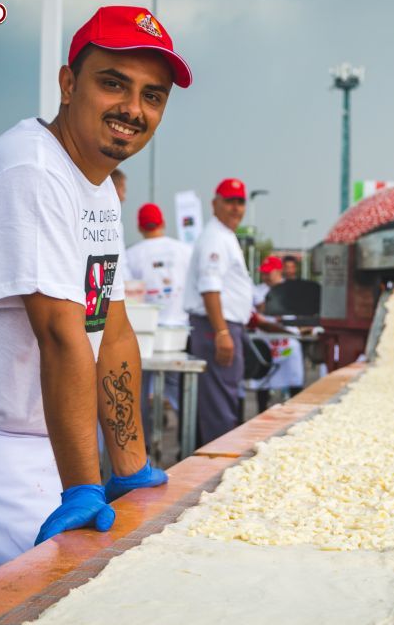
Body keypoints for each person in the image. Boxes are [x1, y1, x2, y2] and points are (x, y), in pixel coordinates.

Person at [0, 6, 191, 612]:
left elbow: (112, 330)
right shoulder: (28, 169)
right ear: (68, 83)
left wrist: (131, 469)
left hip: (28, 451)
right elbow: (60, 333)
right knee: (55, 619)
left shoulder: (97, 187)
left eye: (151, 95)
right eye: (113, 83)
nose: (133, 108)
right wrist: (83, 485)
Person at [184, 178, 254, 446]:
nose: (236, 208)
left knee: (223, 397)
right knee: (219, 403)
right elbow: (209, 287)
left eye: (240, 202)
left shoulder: (223, 235)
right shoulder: (215, 237)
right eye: (229, 201)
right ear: (215, 204)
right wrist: (222, 331)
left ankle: (217, 458)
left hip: (221, 325)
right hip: (215, 326)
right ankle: (217, 465)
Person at [124, 202, 192, 446]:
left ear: (140, 227)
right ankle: (186, 442)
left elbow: (127, 293)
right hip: (178, 334)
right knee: (181, 391)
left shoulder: (132, 254)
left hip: (144, 334)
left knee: (138, 390)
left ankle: (140, 446)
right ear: (162, 223)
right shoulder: (184, 250)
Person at [250, 255, 304, 412]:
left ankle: (295, 412)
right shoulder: (258, 291)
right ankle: (261, 411)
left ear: (278, 271)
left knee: (294, 378)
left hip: (288, 341)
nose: (265, 275)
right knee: (262, 380)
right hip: (266, 341)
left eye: (269, 272)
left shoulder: (291, 289)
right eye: (263, 272)